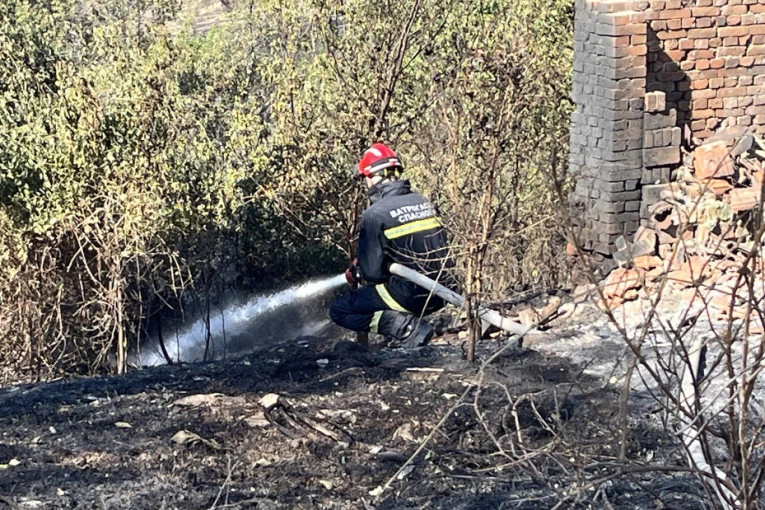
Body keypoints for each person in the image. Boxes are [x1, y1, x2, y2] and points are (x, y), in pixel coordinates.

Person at [329, 143, 455, 348]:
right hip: (446, 291)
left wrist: (361, 270)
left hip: (413, 296)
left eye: (365, 178)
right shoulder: (425, 201)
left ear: (372, 176)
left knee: (340, 310)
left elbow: (373, 275)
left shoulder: (375, 214)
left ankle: (406, 328)